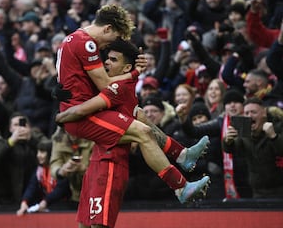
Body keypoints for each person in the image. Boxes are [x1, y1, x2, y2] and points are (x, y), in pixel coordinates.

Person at [57, 38, 210, 228]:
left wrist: (63, 115)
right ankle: (182, 156)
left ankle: (180, 184)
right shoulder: (126, 83)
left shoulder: (117, 88)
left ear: (125, 68)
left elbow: (83, 109)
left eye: (113, 60)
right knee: (85, 225)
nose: (105, 62)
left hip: (110, 164)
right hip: (96, 163)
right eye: (108, 58)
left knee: (98, 225)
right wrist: (137, 67)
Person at [222, 98, 283, 198]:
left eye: (253, 112)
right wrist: (228, 141)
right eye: (246, 113)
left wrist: (273, 136)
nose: (249, 116)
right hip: (257, 191)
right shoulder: (244, 131)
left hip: (280, 190)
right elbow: (233, 148)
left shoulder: (279, 126)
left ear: (264, 113)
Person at [16, 141, 70, 216]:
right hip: (47, 204)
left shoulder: (60, 169)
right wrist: (24, 202)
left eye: (42, 152)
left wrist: (46, 201)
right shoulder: (39, 170)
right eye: (38, 152)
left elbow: (60, 189)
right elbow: (31, 187)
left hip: (63, 207)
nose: (38, 155)